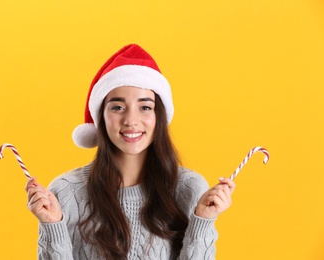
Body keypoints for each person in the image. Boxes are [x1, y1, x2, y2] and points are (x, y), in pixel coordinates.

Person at [25, 44, 236, 260]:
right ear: (101, 116)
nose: (131, 121)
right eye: (117, 107)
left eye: (145, 107)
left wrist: (203, 221)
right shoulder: (66, 192)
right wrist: (52, 227)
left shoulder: (189, 189)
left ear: (159, 116)